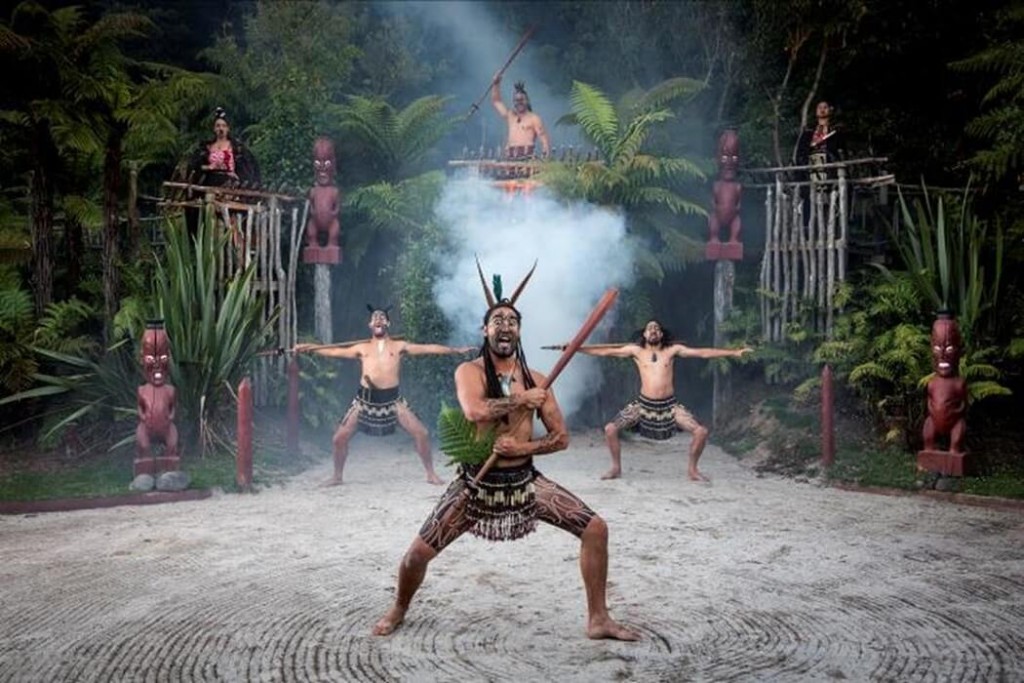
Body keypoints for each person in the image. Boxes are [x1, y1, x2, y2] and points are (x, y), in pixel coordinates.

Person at [371, 295, 638, 641]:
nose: (505, 326)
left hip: (524, 481)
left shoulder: (538, 381)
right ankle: (399, 607)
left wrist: (523, 446)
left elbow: (561, 439)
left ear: (519, 331)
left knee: (596, 528)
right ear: (485, 330)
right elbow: (475, 411)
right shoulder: (470, 371)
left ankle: (599, 619)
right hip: (477, 484)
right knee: (415, 557)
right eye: (497, 320)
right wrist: (520, 400)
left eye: (512, 321)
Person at [294, 307, 474, 486]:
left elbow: (427, 348)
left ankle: (430, 474)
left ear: (388, 323)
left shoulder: (399, 346)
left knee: (422, 434)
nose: (378, 319)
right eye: (375, 318)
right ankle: (337, 476)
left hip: (392, 400)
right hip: (365, 400)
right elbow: (334, 352)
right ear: (370, 325)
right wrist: (310, 348)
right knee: (339, 439)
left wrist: (454, 350)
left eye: (382, 317)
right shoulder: (362, 348)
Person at [578, 320, 752, 482]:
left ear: (661, 335)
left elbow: (703, 353)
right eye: (649, 328)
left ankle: (693, 470)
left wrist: (734, 352)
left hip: (669, 406)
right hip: (644, 405)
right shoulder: (636, 351)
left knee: (701, 432)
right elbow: (603, 351)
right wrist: (575, 349)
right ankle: (616, 468)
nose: (653, 330)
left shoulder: (672, 351)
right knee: (610, 429)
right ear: (644, 335)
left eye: (656, 329)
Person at [184, 107, 261, 236]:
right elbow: (195, 167)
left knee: (229, 222)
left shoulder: (237, 148)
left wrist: (238, 176)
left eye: (224, 126)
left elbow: (248, 167)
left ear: (228, 128)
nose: (221, 129)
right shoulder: (206, 147)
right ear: (214, 129)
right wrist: (209, 167)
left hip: (230, 184)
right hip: (211, 183)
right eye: (218, 125)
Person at [491, 73, 551, 159]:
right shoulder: (510, 116)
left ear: (527, 101)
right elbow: (496, 101)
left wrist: (546, 157)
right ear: (514, 102)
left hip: (527, 156)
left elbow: (544, 139)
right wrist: (496, 84)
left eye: (521, 100)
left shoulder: (534, 118)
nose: (519, 102)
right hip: (511, 156)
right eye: (516, 100)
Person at [796, 100, 844, 183]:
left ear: (830, 110)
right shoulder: (808, 131)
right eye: (820, 108)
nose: (822, 110)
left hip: (829, 164)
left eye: (825, 107)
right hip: (812, 163)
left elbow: (841, 150)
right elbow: (801, 151)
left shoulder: (835, 131)